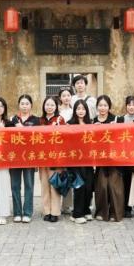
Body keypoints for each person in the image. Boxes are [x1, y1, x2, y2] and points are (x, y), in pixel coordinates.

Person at [93, 95, 124, 222]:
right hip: (100, 158)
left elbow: (123, 137)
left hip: (114, 158)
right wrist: (93, 128)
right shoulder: (94, 120)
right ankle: (101, 211)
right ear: (97, 107)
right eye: (100, 105)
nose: (103, 108)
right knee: (102, 186)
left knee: (114, 186)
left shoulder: (116, 119)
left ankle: (114, 212)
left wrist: (116, 128)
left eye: (105, 105)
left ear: (109, 107)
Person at [10, 95, 40, 223]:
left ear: (31, 105)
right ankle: (17, 212)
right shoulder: (12, 120)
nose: (24, 106)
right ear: (19, 105)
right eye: (22, 103)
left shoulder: (36, 120)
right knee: (15, 185)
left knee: (29, 185)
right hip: (14, 157)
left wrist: (22, 129)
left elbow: (38, 137)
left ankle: (27, 212)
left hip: (29, 157)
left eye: (27, 103)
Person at [39, 96, 66, 222]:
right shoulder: (40, 120)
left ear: (56, 107)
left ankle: (55, 212)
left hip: (56, 158)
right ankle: (46, 211)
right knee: (44, 185)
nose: (49, 107)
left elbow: (65, 137)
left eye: (52, 105)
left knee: (54, 185)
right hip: (42, 157)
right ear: (44, 106)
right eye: (47, 104)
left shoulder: (60, 119)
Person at [68, 99, 95, 224]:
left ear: (86, 111)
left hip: (88, 160)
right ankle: (77, 214)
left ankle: (86, 210)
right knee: (79, 186)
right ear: (75, 110)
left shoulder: (90, 124)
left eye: (83, 109)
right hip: (74, 161)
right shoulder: (69, 124)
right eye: (78, 109)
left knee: (89, 187)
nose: (81, 111)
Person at [116, 95, 134, 219]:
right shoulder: (120, 119)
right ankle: (126, 208)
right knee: (126, 183)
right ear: (126, 106)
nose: (131, 107)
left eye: (133, 105)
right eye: (129, 105)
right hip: (124, 157)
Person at [57, 87, 74, 215]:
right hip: (58, 147)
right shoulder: (56, 111)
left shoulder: (74, 111)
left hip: (71, 147)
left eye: (68, 95)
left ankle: (67, 205)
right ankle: (56, 204)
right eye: (64, 95)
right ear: (60, 98)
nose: (66, 98)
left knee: (69, 175)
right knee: (58, 175)